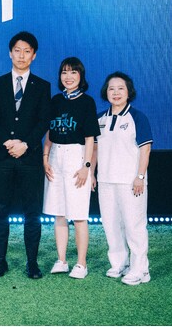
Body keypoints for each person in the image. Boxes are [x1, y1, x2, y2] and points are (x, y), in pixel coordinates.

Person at [0, 32, 51, 279]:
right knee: (0, 210)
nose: (21, 55)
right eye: (17, 50)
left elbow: (43, 121)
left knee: (32, 212)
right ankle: (0, 260)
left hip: (29, 157)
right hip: (1, 158)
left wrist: (26, 144)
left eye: (27, 51)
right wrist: (8, 142)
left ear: (33, 56)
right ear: (10, 53)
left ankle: (32, 262)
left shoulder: (42, 86)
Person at [42, 57, 100, 279]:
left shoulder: (87, 102)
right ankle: (62, 260)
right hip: (55, 156)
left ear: (81, 76)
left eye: (73, 72)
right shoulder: (55, 100)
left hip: (77, 157)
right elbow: (49, 132)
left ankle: (81, 264)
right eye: (64, 72)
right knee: (59, 213)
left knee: (78, 215)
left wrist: (87, 167)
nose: (68, 77)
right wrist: (45, 158)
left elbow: (90, 138)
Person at [93, 72, 152, 285]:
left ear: (129, 92)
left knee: (134, 226)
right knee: (111, 225)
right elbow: (94, 149)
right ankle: (119, 263)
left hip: (130, 182)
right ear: (106, 92)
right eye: (111, 88)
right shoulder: (99, 118)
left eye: (121, 88)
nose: (116, 92)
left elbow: (145, 149)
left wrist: (140, 176)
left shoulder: (137, 117)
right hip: (106, 181)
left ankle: (140, 269)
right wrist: (91, 173)